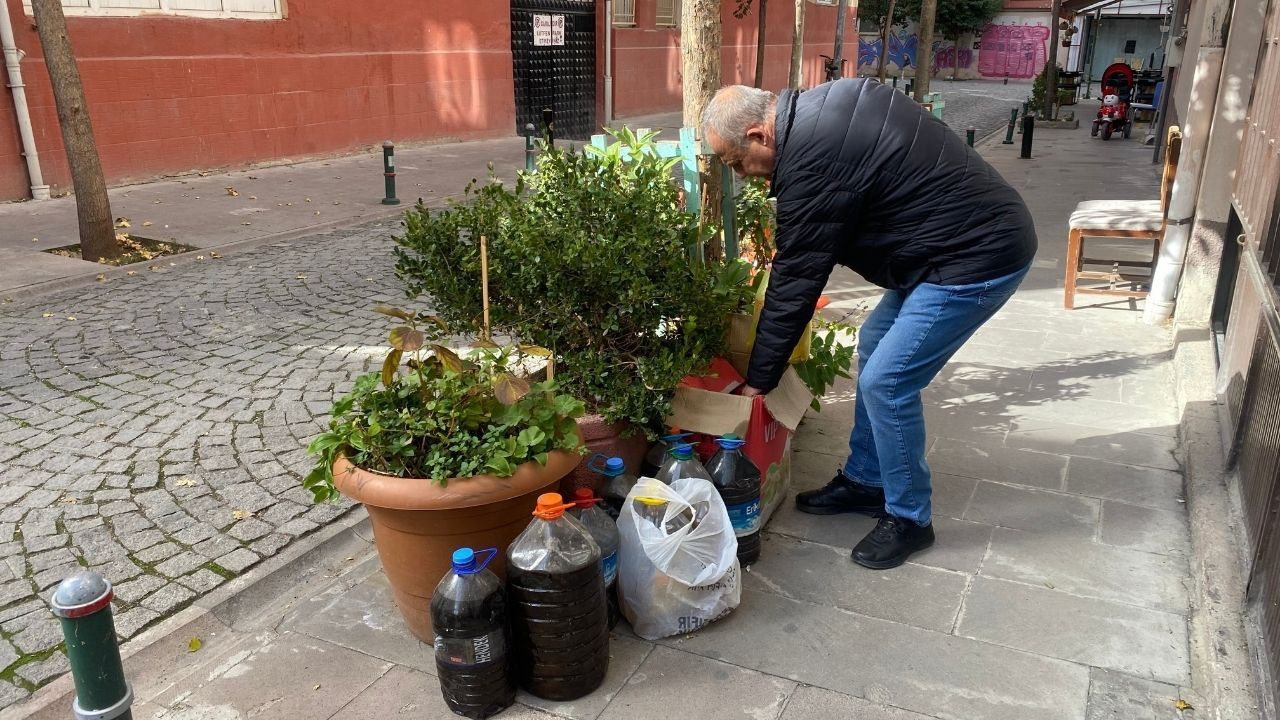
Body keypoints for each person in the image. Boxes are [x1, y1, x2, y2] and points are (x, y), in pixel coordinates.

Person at [702, 80, 1037, 570]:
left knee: (888, 381)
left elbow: (796, 278)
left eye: (735, 162)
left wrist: (760, 381)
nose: (742, 176)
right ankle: (866, 479)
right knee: (875, 340)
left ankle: (910, 518)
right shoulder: (829, 104)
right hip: (941, 248)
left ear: (758, 135)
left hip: (977, 256)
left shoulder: (813, 159)